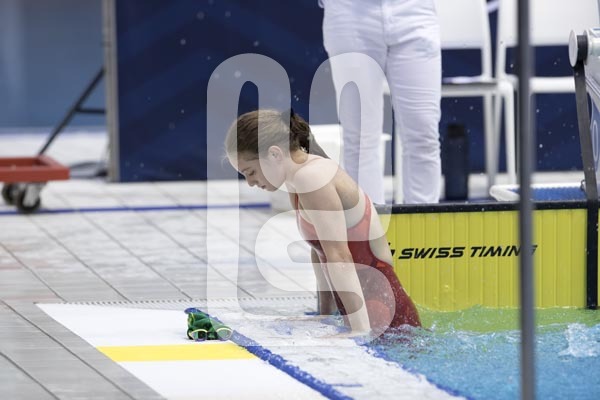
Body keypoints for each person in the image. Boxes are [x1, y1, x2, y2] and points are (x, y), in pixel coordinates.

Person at [225, 109, 421, 336]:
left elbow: (340, 257)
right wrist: (325, 315)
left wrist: (359, 330)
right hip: (366, 313)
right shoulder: (296, 179)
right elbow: (319, 251)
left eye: (250, 172)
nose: (250, 182)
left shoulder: (311, 178)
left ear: (274, 154)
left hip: (386, 317)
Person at [321, 0, 442, 204]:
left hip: (413, 12)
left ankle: (424, 221)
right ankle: (368, 223)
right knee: (360, 139)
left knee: (423, 134)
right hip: (350, 12)